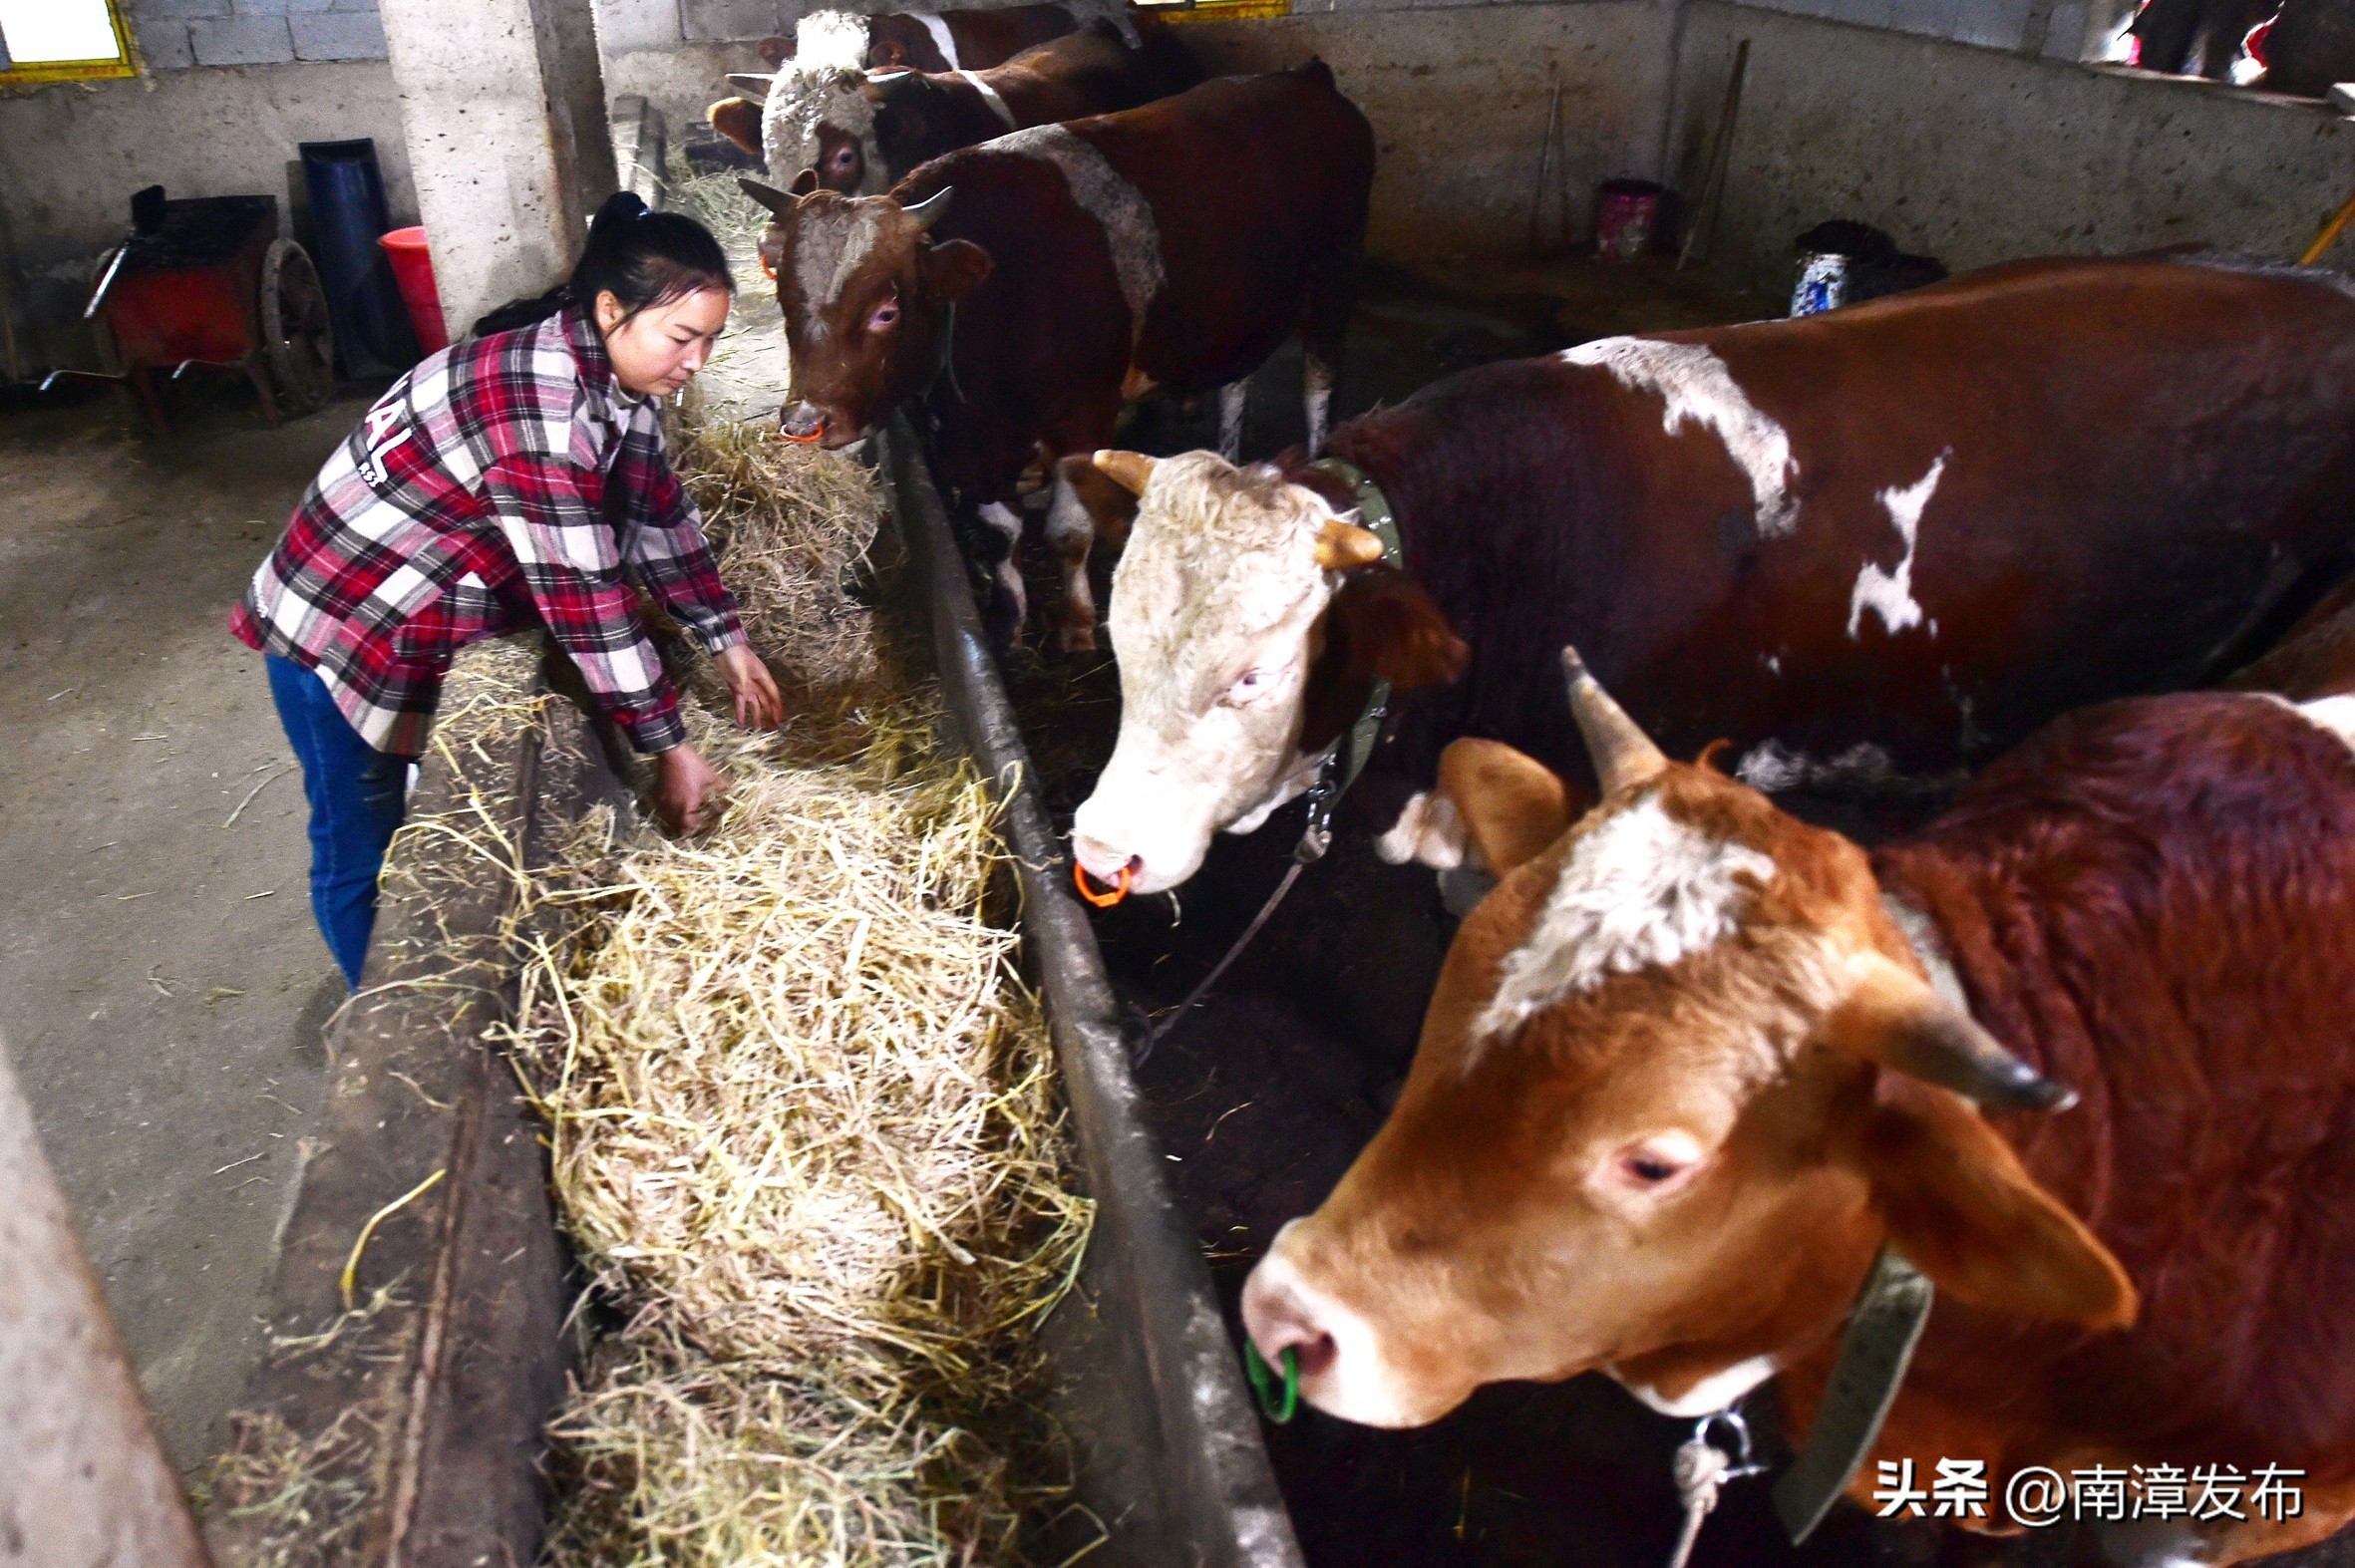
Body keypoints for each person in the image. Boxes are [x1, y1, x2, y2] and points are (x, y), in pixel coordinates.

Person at [231, 191, 782, 988]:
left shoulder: (613, 383)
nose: (697, 361)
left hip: (405, 596)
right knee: (360, 832)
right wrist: (672, 748)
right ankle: (389, 1033)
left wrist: (725, 638)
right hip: (336, 627)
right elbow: (586, 597)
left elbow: (658, 511)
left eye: (711, 340)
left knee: (404, 818)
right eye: (682, 336)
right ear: (609, 310)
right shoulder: (545, 409)